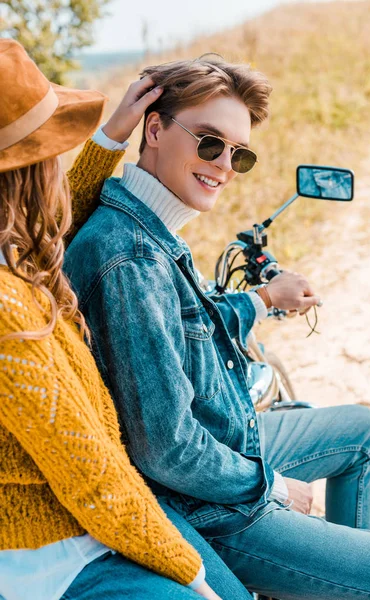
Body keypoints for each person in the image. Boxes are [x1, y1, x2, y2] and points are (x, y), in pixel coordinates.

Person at [65, 55, 370, 599]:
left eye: (239, 155)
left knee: (362, 429)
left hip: (228, 441)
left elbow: (192, 322)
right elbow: (168, 449)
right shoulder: (128, 257)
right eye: (209, 142)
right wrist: (270, 487)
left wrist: (263, 299)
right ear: (154, 128)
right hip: (208, 504)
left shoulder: (153, 230)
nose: (223, 164)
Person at [0, 40, 254, 600]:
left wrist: (109, 140)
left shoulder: (18, 264)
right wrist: (193, 576)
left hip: (91, 522)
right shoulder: (11, 309)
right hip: (59, 552)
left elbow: (53, 231)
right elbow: (91, 473)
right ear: (27, 173)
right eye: (50, 151)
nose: (225, 165)